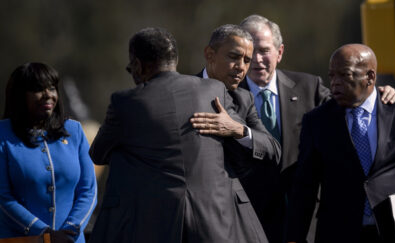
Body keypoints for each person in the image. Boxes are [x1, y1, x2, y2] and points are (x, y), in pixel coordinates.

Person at [89, 27, 268, 243]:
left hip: (153, 224)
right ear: (175, 59)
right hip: (214, 222)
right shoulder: (214, 91)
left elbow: (98, 154)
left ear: (138, 64)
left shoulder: (126, 102)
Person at [235, 14, 395, 243]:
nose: (256, 59)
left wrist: (378, 94)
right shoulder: (227, 95)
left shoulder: (308, 87)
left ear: (280, 52)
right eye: (250, 52)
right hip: (249, 218)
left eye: (264, 50)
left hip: (305, 219)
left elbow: (351, 101)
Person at [286, 43, 395, 243]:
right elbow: (305, 186)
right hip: (338, 233)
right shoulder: (317, 121)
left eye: (344, 75)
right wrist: (294, 238)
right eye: (332, 76)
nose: (335, 83)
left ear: (370, 77)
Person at [190, 23, 284, 242]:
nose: (242, 67)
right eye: (234, 57)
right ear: (209, 54)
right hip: (190, 214)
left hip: (233, 217)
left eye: (247, 60)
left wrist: (237, 130)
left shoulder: (244, 99)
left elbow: (273, 149)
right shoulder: (184, 92)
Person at [0, 62, 97, 243]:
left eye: (52, 88)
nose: (48, 95)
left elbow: (88, 190)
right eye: (38, 89)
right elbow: (3, 197)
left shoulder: (74, 131)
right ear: (20, 96)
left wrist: (70, 230)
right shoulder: (2, 135)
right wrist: (44, 233)